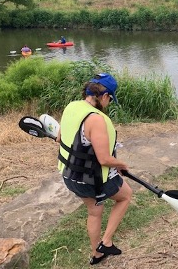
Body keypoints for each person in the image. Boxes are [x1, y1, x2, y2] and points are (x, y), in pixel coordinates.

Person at [57, 73, 132, 265]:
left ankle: (96, 254)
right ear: (104, 96)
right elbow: (104, 159)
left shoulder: (72, 106)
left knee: (94, 211)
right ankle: (106, 242)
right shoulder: (96, 119)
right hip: (93, 181)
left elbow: (59, 138)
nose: (109, 103)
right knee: (125, 196)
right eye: (110, 99)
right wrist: (122, 165)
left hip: (70, 176)